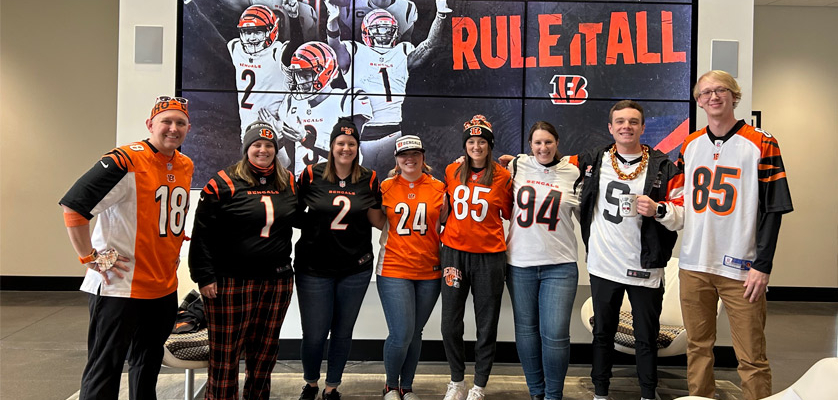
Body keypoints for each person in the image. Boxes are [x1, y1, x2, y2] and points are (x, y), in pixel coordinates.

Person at [59, 96, 193, 400]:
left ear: (188, 128)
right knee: (105, 367)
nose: (173, 128)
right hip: (120, 286)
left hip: (162, 285)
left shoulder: (185, 164)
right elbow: (73, 206)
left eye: (180, 123)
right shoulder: (125, 159)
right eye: (166, 122)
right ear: (150, 125)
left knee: (147, 365)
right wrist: (88, 257)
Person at [678, 70, 793, 400]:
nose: (713, 97)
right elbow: (676, 200)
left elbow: (775, 207)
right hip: (694, 264)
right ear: (698, 101)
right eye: (706, 92)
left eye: (721, 90)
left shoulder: (762, 142)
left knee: (751, 357)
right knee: (698, 349)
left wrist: (763, 264)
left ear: (735, 95)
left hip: (742, 268)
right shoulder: (689, 144)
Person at [574, 100, 684, 400]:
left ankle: (649, 393)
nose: (626, 126)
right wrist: (519, 161)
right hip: (603, 265)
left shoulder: (664, 166)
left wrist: (660, 210)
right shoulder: (594, 159)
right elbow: (550, 162)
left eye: (633, 121)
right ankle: (600, 392)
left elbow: (684, 215)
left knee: (646, 336)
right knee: (602, 334)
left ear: (643, 127)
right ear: (610, 128)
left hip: (645, 265)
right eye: (620, 121)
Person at [188, 121, 297, 400]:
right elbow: (202, 234)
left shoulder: (289, 182)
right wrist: (204, 276)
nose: (263, 150)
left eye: (269, 145)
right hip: (231, 280)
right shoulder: (222, 183)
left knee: (264, 353)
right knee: (226, 355)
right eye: (257, 145)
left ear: (276, 149)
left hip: (276, 281)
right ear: (246, 148)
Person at [294, 118, 383, 400]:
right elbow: (293, 213)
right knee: (315, 334)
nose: (346, 148)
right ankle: (310, 383)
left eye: (351, 144)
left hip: (354, 267)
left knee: (343, 332)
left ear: (357, 147)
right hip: (313, 267)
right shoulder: (310, 174)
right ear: (331, 146)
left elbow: (378, 217)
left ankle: (332, 387)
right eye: (341, 143)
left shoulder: (368, 177)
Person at [324, 0, 449, 178]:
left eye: (387, 30)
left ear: (395, 33)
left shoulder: (402, 51)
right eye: (377, 30)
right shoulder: (355, 50)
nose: (382, 35)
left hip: (392, 133)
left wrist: (441, 15)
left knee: (390, 186)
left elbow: (430, 45)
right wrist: (332, 21)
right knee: (360, 185)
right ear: (366, 31)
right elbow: (334, 47)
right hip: (363, 134)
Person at [503, 121, 582, 400]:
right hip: (519, 263)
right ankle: (536, 392)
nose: (543, 147)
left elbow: (589, 213)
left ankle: (553, 395)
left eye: (548, 142)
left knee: (556, 333)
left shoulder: (573, 173)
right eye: (537, 142)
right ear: (529, 145)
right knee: (526, 331)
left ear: (557, 143)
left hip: (560, 264)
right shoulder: (517, 166)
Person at [440, 115, 513, 400]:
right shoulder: (451, 171)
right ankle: (456, 380)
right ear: (465, 144)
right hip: (454, 254)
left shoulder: (503, 176)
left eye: (482, 141)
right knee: (450, 323)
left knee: (486, 324)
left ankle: (479, 385)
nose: (476, 146)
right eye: (471, 141)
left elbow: (508, 212)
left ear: (489, 144)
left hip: (489, 256)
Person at [375, 135, 445, 400]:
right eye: (404, 155)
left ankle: (407, 386)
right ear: (396, 159)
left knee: (416, 332)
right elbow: (376, 218)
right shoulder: (386, 186)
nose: (410, 159)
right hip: (394, 268)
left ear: (423, 156)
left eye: (415, 153)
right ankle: (391, 386)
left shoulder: (439, 187)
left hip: (429, 270)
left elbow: (446, 223)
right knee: (401, 332)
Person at [259, 41, 372, 178]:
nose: (300, 82)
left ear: (326, 72)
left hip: (336, 185)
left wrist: (307, 139)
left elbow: (349, 156)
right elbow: (285, 163)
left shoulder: (347, 100)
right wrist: (279, 138)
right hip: (304, 187)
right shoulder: (291, 103)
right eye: (297, 75)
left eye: (306, 75)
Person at [228, 4, 305, 141]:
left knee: (279, 160)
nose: (252, 38)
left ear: (271, 31)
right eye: (247, 32)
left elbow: (297, 49)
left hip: (278, 127)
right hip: (247, 128)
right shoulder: (236, 48)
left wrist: (293, 18)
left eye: (258, 32)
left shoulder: (277, 52)